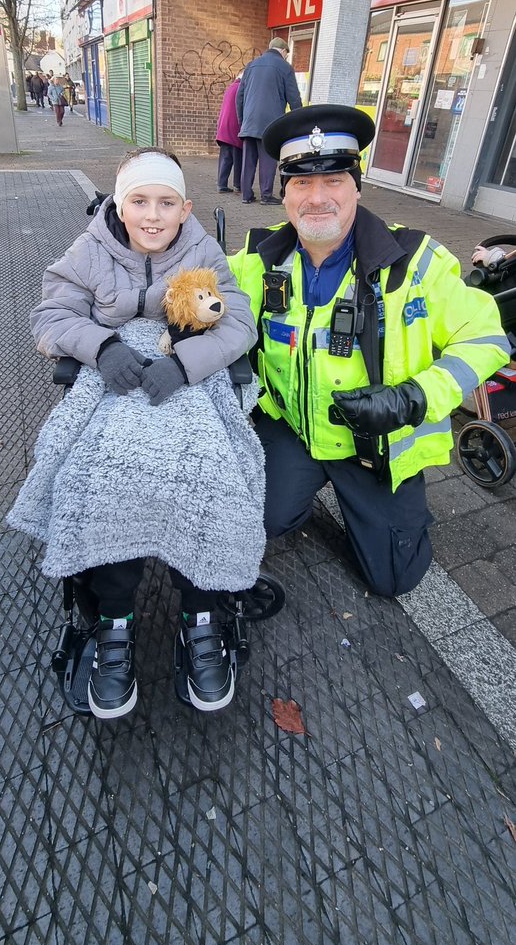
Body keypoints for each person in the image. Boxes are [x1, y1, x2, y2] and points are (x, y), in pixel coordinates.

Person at [229, 104, 511, 598]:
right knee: (259, 522)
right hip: (294, 431)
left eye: (334, 180)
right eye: (300, 183)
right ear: (284, 192)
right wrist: (134, 226)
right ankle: (301, 484)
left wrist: (414, 398)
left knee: (394, 579)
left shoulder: (415, 262)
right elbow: (188, 290)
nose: (317, 198)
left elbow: (487, 336)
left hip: (373, 450)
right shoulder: (256, 258)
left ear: (357, 186)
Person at [28, 150, 258, 719]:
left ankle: (201, 614)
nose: (151, 216)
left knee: (211, 474)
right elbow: (51, 318)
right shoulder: (88, 252)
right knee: (99, 478)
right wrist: (101, 347)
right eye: (138, 201)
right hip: (113, 380)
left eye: (165, 203)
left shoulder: (203, 250)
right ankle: (114, 620)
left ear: (186, 209)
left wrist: (184, 364)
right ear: (118, 203)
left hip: (185, 374)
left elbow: (238, 322)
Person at [236, 37, 302, 206]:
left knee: (248, 161)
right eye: (286, 53)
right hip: (270, 124)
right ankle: (266, 195)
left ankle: (246, 195)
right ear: (283, 51)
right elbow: (294, 99)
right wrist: (299, 124)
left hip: (249, 122)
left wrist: (243, 121)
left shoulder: (251, 65)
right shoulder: (285, 67)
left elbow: (239, 97)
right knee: (268, 161)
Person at [216, 74, 243, 194]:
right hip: (234, 127)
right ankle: (237, 184)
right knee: (238, 158)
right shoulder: (241, 89)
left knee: (225, 158)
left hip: (223, 128)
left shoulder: (230, 87)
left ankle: (222, 184)